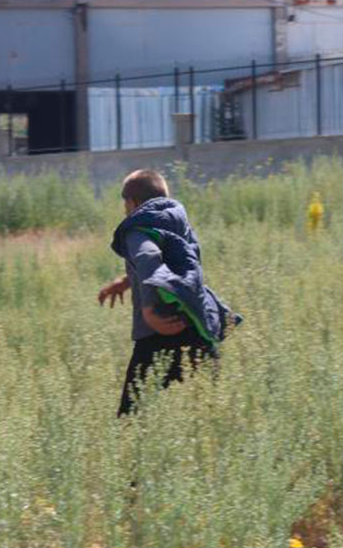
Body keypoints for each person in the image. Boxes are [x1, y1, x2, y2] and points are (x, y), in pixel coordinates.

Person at [97, 169, 239, 416]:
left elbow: (148, 258)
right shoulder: (178, 223)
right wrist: (125, 282)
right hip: (196, 325)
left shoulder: (137, 229)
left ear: (133, 203)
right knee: (212, 413)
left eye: (124, 202)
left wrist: (149, 310)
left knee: (131, 418)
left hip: (158, 332)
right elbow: (173, 262)